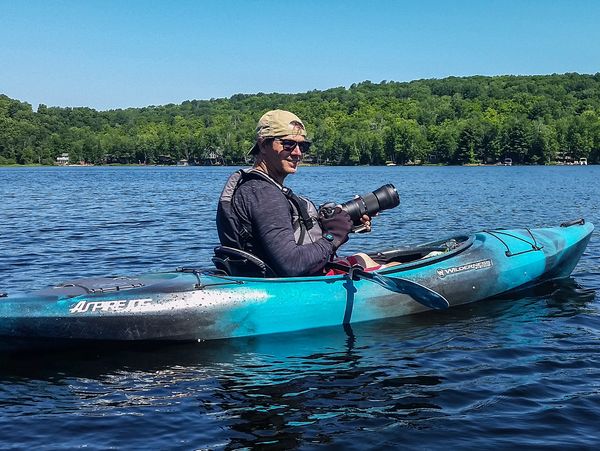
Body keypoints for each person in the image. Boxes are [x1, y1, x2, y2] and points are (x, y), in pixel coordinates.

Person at [216, 109, 379, 277]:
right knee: (377, 263)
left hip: (267, 276)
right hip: (283, 287)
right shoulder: (265, 195)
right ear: (263, 145)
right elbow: (292, 265)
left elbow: (276, 244)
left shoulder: (253, 187)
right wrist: (334, 236)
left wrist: (344, 225)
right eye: (288, 144)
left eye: (303, 145)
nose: (297, 153)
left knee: (362, 258)